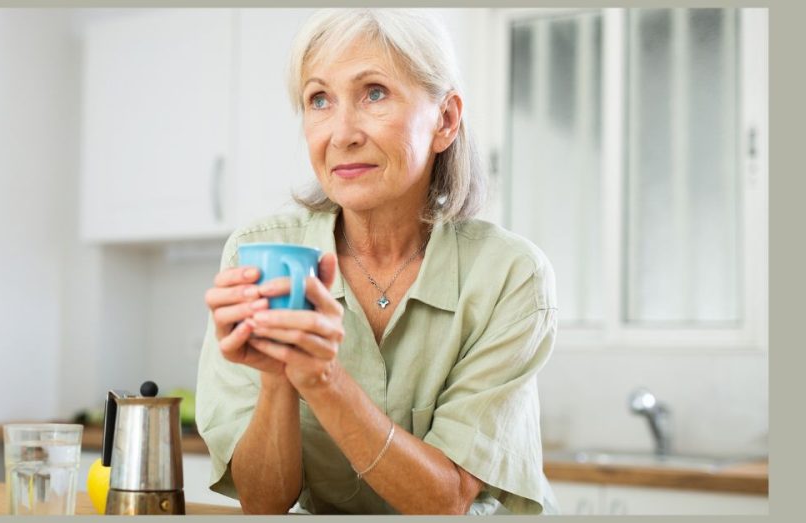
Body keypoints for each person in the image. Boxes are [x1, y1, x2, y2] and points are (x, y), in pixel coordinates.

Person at [196, 8, 558, 515]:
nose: (341, 133)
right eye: (319, 99)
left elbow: (446, 501)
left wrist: (322, 380)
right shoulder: (260, 256)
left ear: (445, 120)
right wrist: (277, 375)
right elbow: (264, 502)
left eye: (374, 93)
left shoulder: (509, 275)